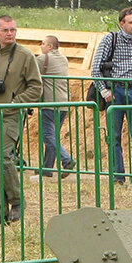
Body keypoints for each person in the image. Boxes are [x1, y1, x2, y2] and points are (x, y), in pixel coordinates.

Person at [0, 15, 43, 226]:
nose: (10, 33)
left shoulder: (25, 55)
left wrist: (15, 102)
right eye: (5, 30)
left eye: (12, 29)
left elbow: (36, 87)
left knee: (0, 156)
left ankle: (16, 201)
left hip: (11, 114)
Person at [90, 7, 132, 186]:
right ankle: (118, 176)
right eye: (131, 22)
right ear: (122, 23)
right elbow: (96, 67)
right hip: (114, 91)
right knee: (114, 136)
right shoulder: (111, 39)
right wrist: (104, 90)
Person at [34, 35, 76, 180]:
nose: (41, 46)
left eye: (43, 43)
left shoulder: (43, 59)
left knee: (48, 136)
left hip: (50, 102)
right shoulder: (63, 59)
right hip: (63, 102)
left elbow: (31, 75)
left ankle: (66, 160)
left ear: (50, 46)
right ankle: (47, 168)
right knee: (53, 136)